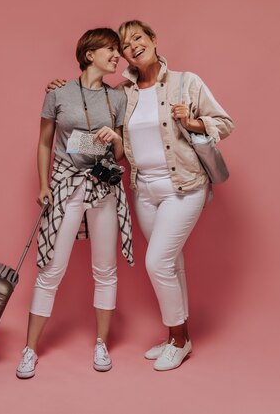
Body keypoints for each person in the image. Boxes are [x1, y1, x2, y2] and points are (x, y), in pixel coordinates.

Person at [46, 20, 234, 371]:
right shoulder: (123, 93)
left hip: (184, 186)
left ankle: (177, 341)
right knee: (172, 264)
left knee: (158, 262)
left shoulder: (185, 82)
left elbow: (224, 122)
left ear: (153, 40)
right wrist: (61, 91)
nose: (131, 46)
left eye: (138, 38)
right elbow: (104, 136)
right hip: (144, 190)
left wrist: (192, 123)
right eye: (125, 44)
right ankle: (180, 337)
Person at [16, 28, 134, 379]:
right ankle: (30, 349)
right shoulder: (59, 93)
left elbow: (122, 155)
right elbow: (44, 144)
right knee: (51, 268)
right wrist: (43, 185)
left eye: (118, 50)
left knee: (105, 269)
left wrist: (115, 139)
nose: (117, 55)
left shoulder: (119, 99)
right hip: (66, 186)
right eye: (110, 49)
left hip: (104, 189)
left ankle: (101, 342)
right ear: (89, 54)